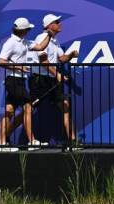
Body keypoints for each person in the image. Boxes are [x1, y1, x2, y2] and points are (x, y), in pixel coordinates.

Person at [0, 17, 47, 151]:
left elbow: (41, 46)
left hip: (19, 81)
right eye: (28, 29)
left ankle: (1, 143)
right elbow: (1, 61)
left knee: (9, 111)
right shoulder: (10, 43)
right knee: (28, 108)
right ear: (23, 30)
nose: (30, 30)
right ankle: (31, 141)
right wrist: (18, 67)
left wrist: (49, 34)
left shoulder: (25, 42)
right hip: (13, 80)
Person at [30, 14, 79, 148]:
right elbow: (43, 61)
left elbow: (61, 58)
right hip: (39, 80)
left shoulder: (55, 41)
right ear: (50, 25)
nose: (60, 24)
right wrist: (57, 74)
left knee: (65, 105)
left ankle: (73, 141)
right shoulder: (41, 38)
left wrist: (70, 55)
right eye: (57, 22)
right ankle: (5, 137)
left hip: (51, 80)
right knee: (27, 109)